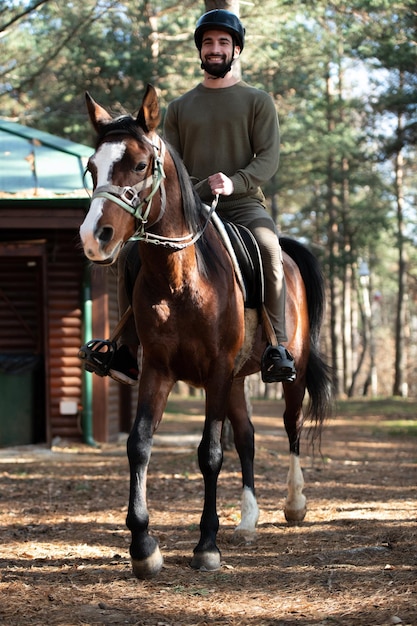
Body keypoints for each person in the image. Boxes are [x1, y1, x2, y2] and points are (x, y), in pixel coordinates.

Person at [80, 9, 296, 385]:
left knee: (269, 249)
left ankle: (278, 346)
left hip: (243, 205)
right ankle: (126, 352)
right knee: (132, 254)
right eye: (208, 42)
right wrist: (192, 192)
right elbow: (170, 165)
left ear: (236, 50)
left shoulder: (258, 101)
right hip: (190, 209)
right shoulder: (179, 107)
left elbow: (269, 159)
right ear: (200, 51)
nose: (215, 49)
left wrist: (235, 182)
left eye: (223, 43)